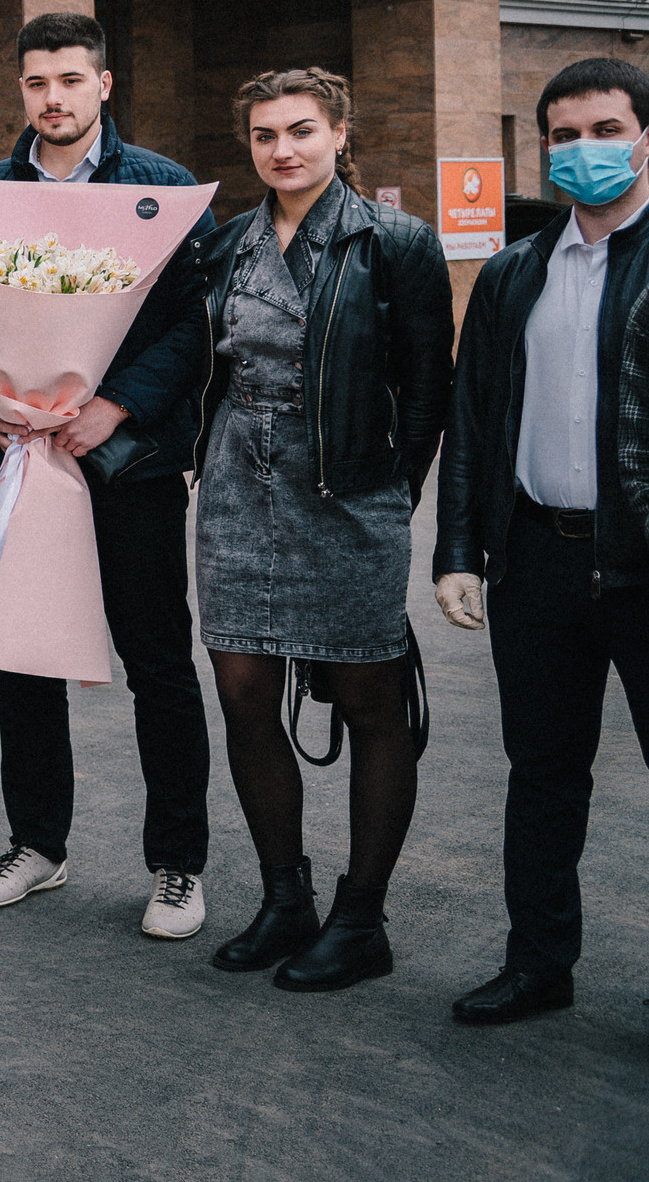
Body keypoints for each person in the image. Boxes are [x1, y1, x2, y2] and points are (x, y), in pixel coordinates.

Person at [0, 13, 217, 941]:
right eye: (38, 82)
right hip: (12, 456)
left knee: (157, 659)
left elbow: (191, 329)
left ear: (104, 84)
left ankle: (177, 866)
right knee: (22, 654)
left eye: (71, 80)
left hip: (124, 460)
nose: (54, 97)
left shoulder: (159, 188)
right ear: (22, 91)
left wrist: (114, 405)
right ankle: (35, 844)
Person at [187, 69, 453, 990]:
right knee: (246, 694)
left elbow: (428, 388)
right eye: (264, 135)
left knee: (374, 704)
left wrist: (390, 496)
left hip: (351, 493)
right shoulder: (226, 246)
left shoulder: (396, 241)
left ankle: (360, 918)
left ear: (341, 132)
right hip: (235, 491)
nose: (282, 149)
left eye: (301, 130)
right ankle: (283, 898)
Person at [440, 56, 649, 1025]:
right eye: (563, 136)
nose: (583, 152)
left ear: (643, 135)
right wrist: (455, 548)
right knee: (543, 773)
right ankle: (538, 963)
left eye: (605, 130)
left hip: (641, 561)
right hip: (536, 558)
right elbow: (471, 419)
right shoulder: (513, 273)